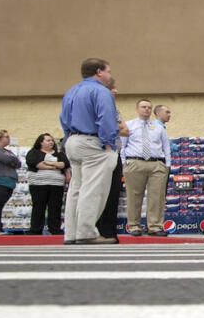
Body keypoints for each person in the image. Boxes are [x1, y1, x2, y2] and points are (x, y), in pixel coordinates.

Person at [59, 57, 119, 244]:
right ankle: (86, 232)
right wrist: (108, 142)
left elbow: (63, 118)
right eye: (108, 71)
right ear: (99, 72)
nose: (110, 75)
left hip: (73, 140)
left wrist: (68, 137)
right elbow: (106, 118)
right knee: (93, 189)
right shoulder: (101, 91)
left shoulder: (71, 91)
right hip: (93, 141)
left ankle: (71, 233)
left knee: (76, 189)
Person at [120, 98, 171, 236]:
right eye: (143, 107)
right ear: (137, 109)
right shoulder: (129, 125)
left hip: (156, 163)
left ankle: (155, 226)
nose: (147, 109)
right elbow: (122, 146)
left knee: (157, 196)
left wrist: (167, 165)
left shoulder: (159, 127)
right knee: (134, 196)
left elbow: (166, 147)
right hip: (135, 162)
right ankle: (134, 226)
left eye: (149, 107)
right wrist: (125, 163)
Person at [95, 80, 129, 243]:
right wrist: (116, 128)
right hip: (101, 153)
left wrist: (116, 128)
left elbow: (125, 130)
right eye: (113, 89)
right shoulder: (100, 106)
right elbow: (112, 128)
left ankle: (109, 232)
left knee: (113, 194)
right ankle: (97, 229)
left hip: (115, 153)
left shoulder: (115, 108)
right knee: (99, 193)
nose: (116, 91)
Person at [26, 133, 68, 235]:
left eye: (52, 140)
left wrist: (47, 163)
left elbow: (64, 163)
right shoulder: (34, 152)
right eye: (48, 140)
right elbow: (36, 164)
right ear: (41, 142)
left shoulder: (59, 153)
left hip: (56, 185)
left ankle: (55, 229)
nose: (51, 142)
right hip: (38, 184)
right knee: (38, 207)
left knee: (55, 207)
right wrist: (54, 166)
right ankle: (35, 230)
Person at [0, 130, 22, 236]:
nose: (9, 139)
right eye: (6, 137)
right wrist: (12, 160)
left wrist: (12, 160)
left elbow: (18, 163)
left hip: (8, 183)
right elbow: (6, 160)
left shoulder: (7, 151)